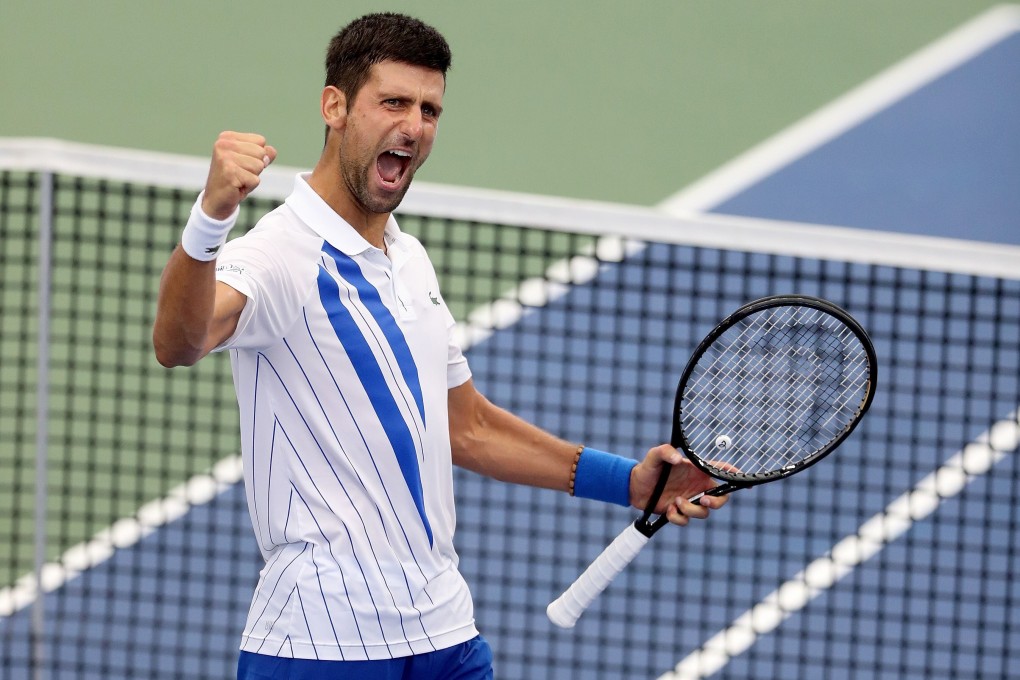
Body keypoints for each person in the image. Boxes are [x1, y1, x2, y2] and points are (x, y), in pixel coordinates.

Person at [152, 12, 727, 680]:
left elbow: (469, 426)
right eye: (393, 102)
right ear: (333, 107)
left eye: (430, 109)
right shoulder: (278, 255)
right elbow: (178, 342)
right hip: (321, 642)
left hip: (444, 632)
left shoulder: (409, 259)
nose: (414, 126)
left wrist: (628, 481)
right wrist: (210, 218)